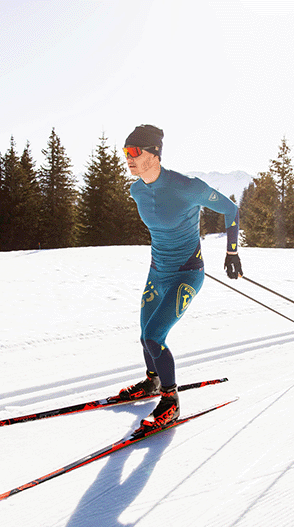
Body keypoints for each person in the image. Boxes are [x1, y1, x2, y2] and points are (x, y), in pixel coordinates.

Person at [110, 124, 241, 430]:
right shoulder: (137, 189)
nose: (127, 158)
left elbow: (231, 210)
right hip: (157, 273)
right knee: (145, 333)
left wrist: (232, 252)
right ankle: (152, 382)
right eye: (125, 152)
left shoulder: (187, 186)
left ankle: (171, 401)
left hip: (186, 274)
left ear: (154, 154)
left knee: (155, 336)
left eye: (134, 152)